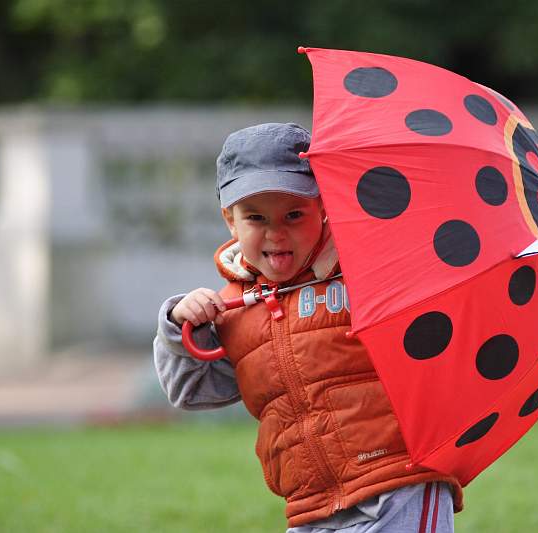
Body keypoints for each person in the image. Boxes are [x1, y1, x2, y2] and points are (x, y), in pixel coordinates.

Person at [154, 123, 462, 532]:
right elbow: (193, 391)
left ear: (324, 206)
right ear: (230, 220)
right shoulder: (232, 307)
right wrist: (179, 325)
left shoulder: (369, 269)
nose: (276, 233)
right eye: (255, 217)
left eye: (294, 214)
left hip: (399, 481)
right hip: (310, 504)